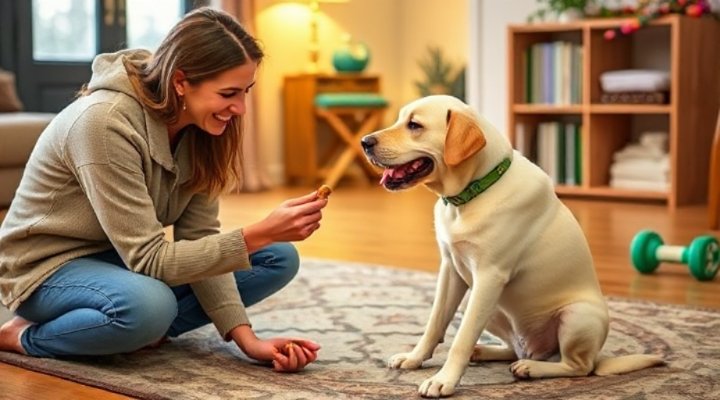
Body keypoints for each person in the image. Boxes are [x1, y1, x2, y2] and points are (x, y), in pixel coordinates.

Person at [0, 7, 327, 373]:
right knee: (150, 304)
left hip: (117, 259)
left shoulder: (205, 130)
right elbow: (150, 259)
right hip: (45, 268)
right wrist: (259, 231)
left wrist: (248, 340)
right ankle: (24, 337)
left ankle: (133, 329)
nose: (241, 109)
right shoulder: (103, 123)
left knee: (276, 257)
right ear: (181, 82)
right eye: (229, 93)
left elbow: (199, 237)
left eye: (246, 91)